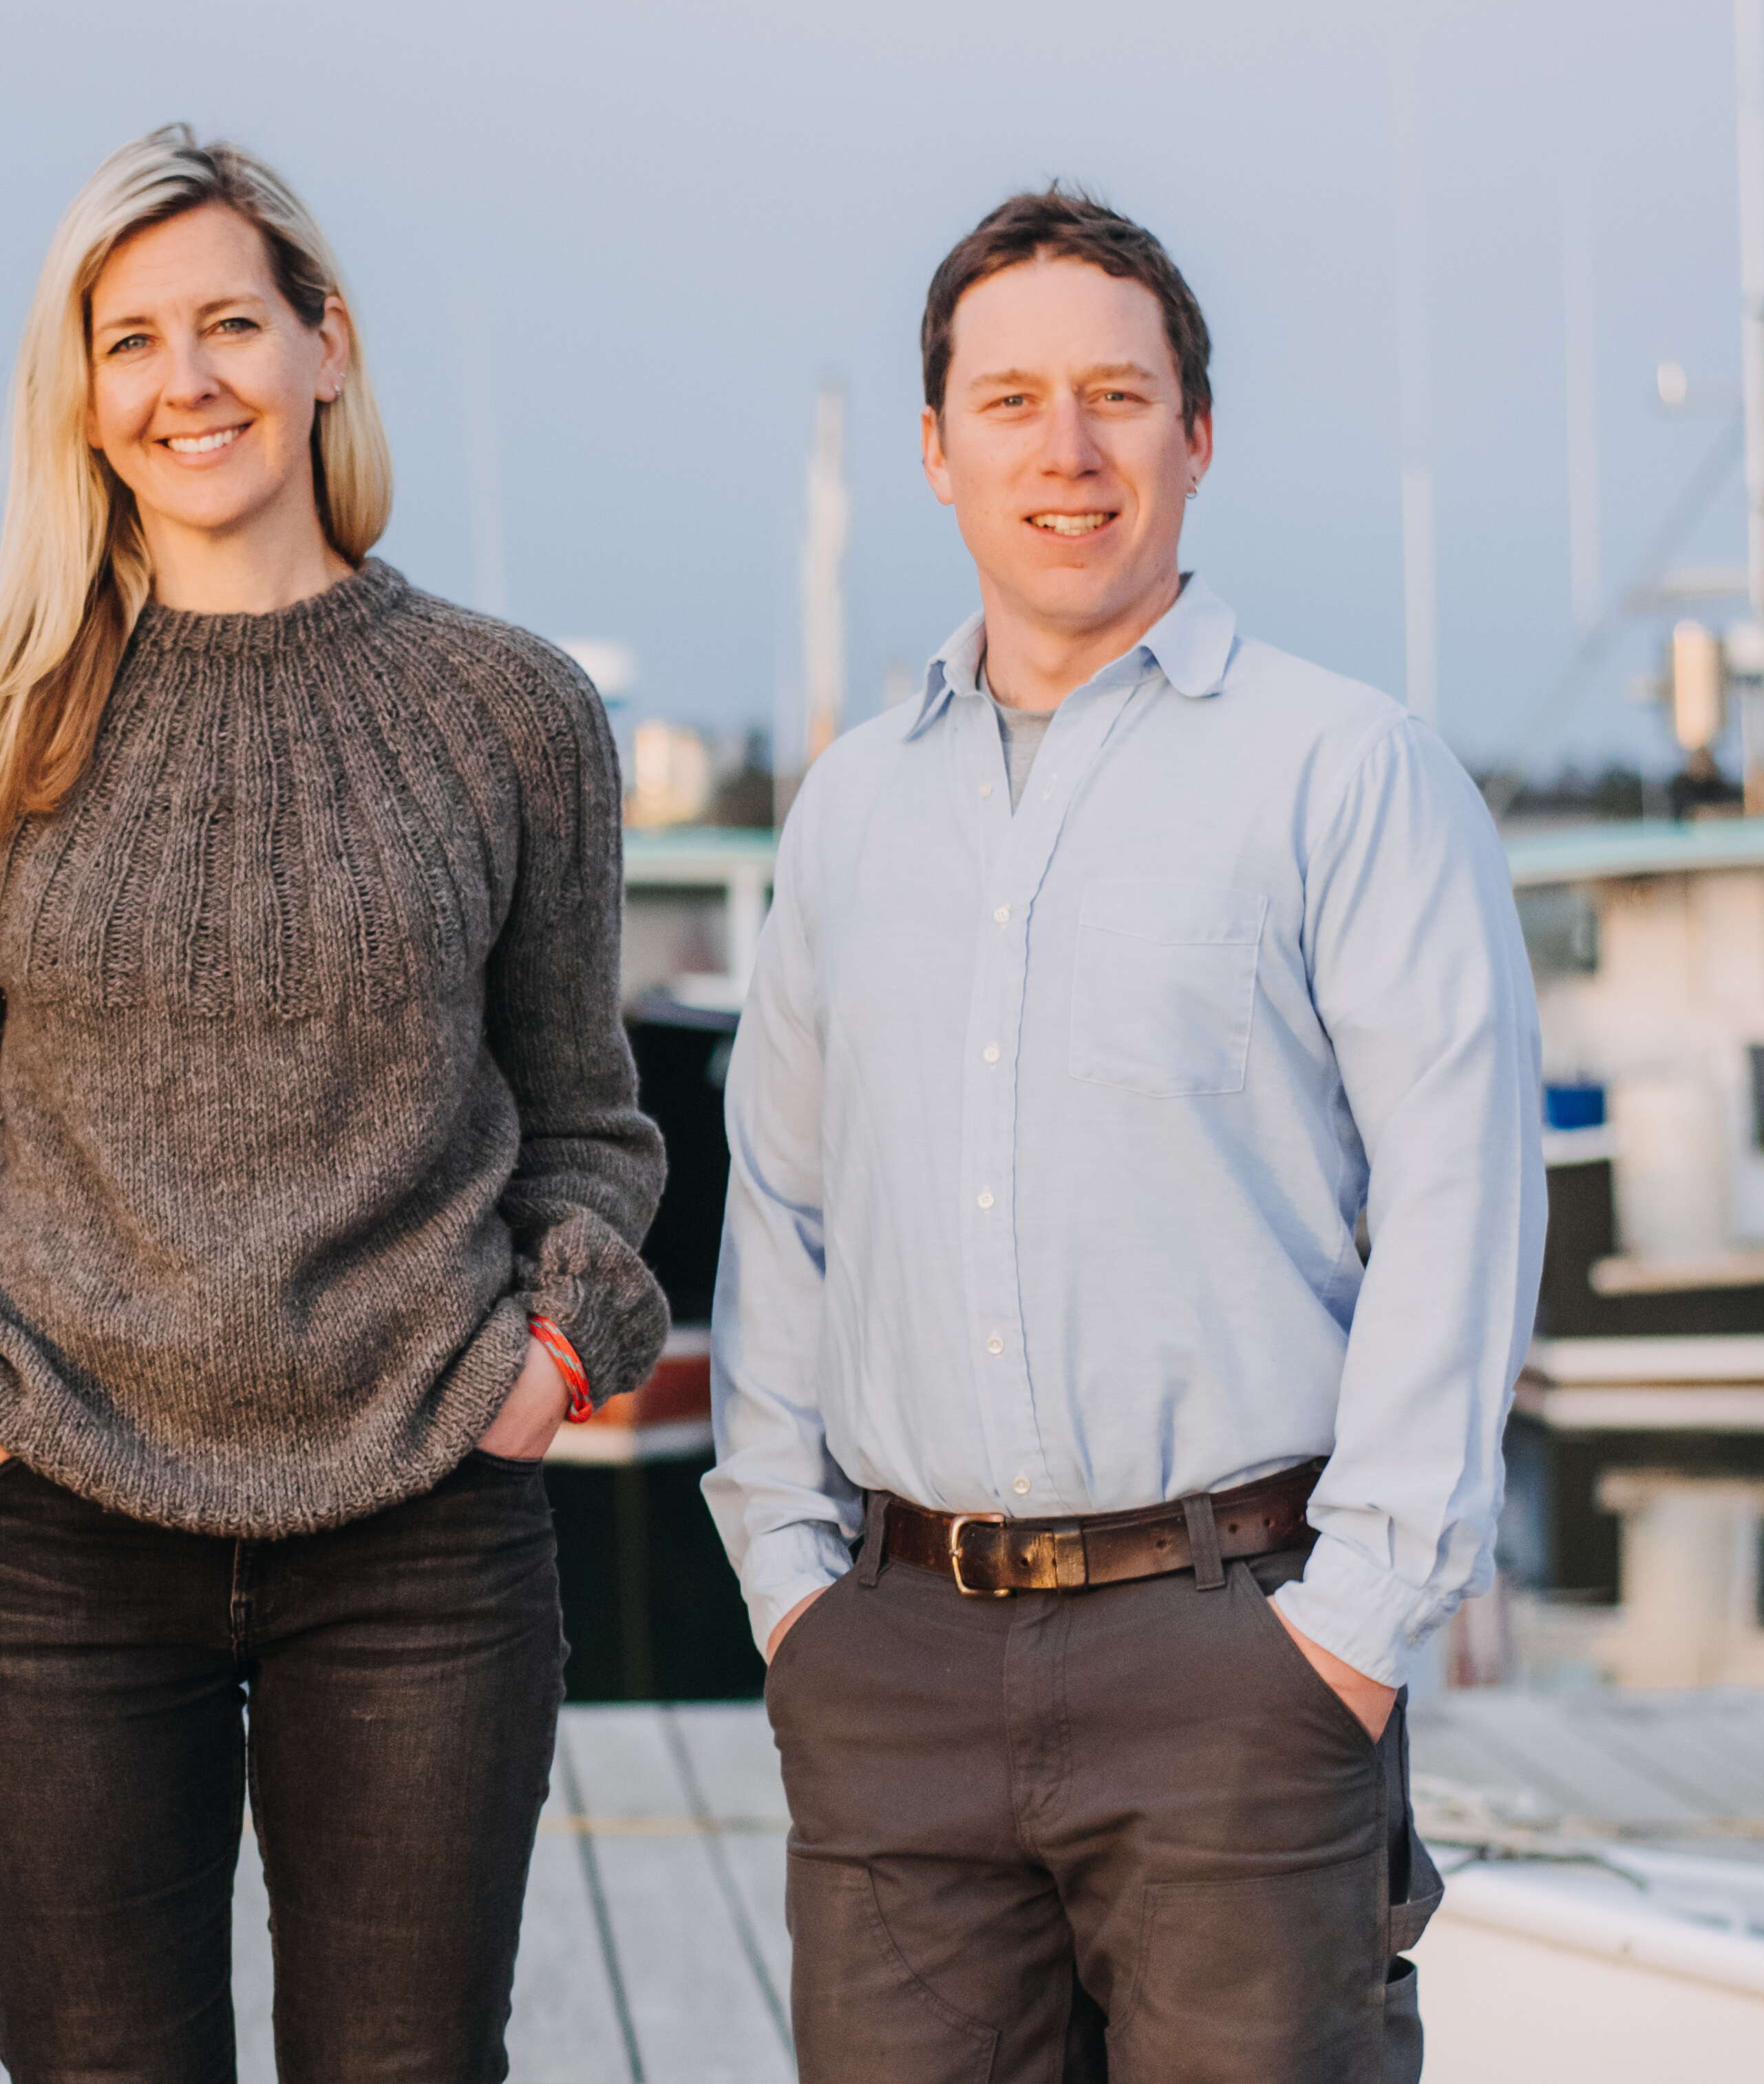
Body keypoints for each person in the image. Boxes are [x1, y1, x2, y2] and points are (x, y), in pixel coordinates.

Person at [0, 125, 668, 2084]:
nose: (183, 382)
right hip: (49, 1525)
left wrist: (548, 1351)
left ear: (326, 347)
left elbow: (590, 1120)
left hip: (424, 1524)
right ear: (81, 396)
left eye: (227, 326)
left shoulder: (510, 710)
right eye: (129, 341)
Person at [702, 185, 1542, 2083]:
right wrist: (787, 1588)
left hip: (1236, 1652)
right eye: (1006, 401)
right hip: (894, 1661)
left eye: (1114, 394)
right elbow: (786, 1210)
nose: (1063, 451)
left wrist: (1346, 1637)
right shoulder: (848, 810)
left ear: (1196, 432)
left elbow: (1458, 1201)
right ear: (933, 449)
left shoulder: (1345, 770)